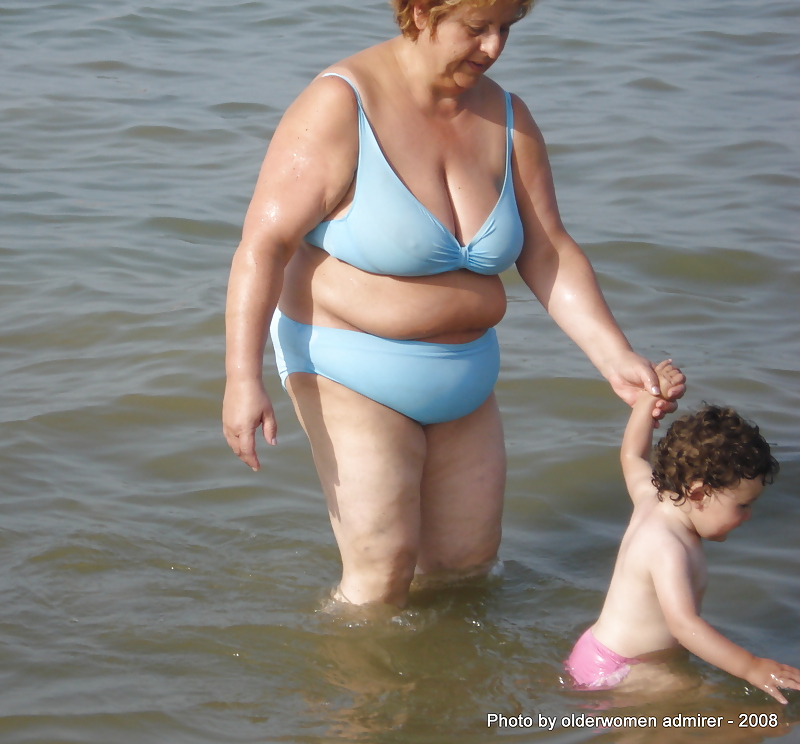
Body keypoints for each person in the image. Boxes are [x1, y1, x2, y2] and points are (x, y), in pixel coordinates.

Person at [222, 0, 684, 607]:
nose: (493, 48)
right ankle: (353, 700)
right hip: (348, 364)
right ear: (419, 11)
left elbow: (548, 252)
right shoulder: (339, 105)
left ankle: (446, 702)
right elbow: (264, 245)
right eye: (476, 28)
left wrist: (613, 355)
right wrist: (240, 376)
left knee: (466, 571)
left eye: (506, 30)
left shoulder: (508, 117)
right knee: (381, 575)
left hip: (467, 374)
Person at [564, 362, 799, 704]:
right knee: (712, 710)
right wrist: (751, 667)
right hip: (623, 669)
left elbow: (632, 455)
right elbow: (684, 626)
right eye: (742, 506)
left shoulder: (651, 499)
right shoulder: (667, 545)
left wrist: (648, 401)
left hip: (599, 651)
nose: (748, 517)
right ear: (701, 494)